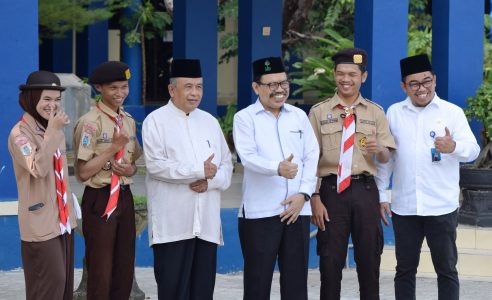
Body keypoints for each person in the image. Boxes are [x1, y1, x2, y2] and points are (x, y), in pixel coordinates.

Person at [375, 54, 480, 300]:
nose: (421, 89)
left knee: (446, 270)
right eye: (414, 84)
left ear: (434, 80)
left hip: (441, 206)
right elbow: (387, 160)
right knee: (404, 270)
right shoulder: (394, 113)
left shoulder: (452, 112)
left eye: (426, 81)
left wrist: (453, 147)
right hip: (405, 207)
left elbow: (473, 151)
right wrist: (382, 195)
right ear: (404, 86)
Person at [308, 48, 396, 300]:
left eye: (352, 74)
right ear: (334, 75)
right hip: (330, 191)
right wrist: (314, 196)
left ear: (363, 77)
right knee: (329, 260)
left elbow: (385, 158)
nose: (346, 79)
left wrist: (379, 149)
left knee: (369, 260)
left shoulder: (375, 112)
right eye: (341, 74)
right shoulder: (318, 112)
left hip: (364, 190)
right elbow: (310, 159)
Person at [142, 58, 233, 300]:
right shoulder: (155, 122)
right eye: (188, 87)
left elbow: (226, 165)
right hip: (172, 227)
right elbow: (156, 166)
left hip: (205, 225)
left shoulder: (210, 122)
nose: (195, 93)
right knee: (173, 292)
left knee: (202, 293)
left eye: (199, 87)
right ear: (172, 89)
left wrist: (210, 181)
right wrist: (198, 170)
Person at [233, 56, 319, 300]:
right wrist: (276, 168)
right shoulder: (245, 118)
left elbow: (312, 156)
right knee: (258, 283)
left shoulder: (299, 116)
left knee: (296, 283)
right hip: (260, 213)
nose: (279, 89)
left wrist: (304, 194)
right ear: (256, 87)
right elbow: (247, 157)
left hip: (296, 210)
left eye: (283, 83)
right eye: (271, 85)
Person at [73, 61, 143, 299]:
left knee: (125, 266)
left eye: (124, 87)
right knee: (101, 270)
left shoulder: (128, 120)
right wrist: (112, 149)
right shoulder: (90, 123)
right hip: (100, 198)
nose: (120, 93)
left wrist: (129, 169)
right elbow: (82, 172)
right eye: (114, 87)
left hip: (124, 196)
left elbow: (134, 163)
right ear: (99, 88)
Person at [8, 70, 78, 300]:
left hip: (62, 219)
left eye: (57, 99)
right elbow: (38, 169)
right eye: (46, 99)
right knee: (49, 285)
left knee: (63, 287)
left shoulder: (48, 127)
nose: (52, 105)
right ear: (31, 99)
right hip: (39, 223)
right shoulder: (20, 134)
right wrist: (53, 132)